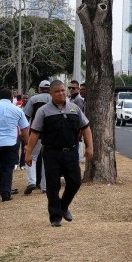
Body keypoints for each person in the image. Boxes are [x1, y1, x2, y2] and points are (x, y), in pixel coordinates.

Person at [25, 80, 93, 227]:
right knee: (53, 186)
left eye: (63, 90)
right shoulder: (43, 111)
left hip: (71, 152)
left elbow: (86, 127)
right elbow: (34, 134)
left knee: (75, 181)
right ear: (51, 94)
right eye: (57, 91)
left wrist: (90, 147)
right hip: (51, 153)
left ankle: (63, 206)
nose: (61, 93)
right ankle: (55, 217)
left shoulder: (74, 108)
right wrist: (28, 153)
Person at [22, 80, 52, 195]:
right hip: (50, 134)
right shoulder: (53, 98)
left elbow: (26, 117)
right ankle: (45, 187)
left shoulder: (33, 99)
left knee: (31, 157)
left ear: (39, 89)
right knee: (46, 160)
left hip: (36, 133)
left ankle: (32, 182)